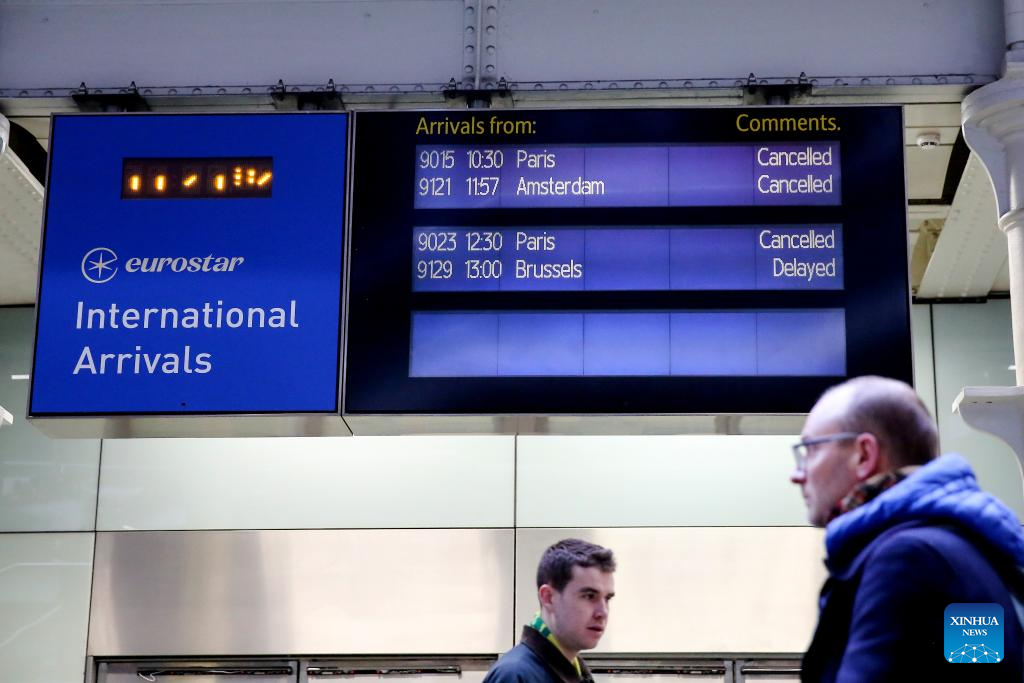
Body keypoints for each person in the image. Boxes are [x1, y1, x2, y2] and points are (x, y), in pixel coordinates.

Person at [791, 375, 1024, 681]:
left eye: (810, 450)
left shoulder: (905, 559)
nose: (797, 475)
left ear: (864, 455)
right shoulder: (965, 548)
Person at [483, 538, 616, 683]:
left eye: (607, 598)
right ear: (548, 598)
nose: (603, 612)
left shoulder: (574, 671)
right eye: (589, 596)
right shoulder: (514, 675)